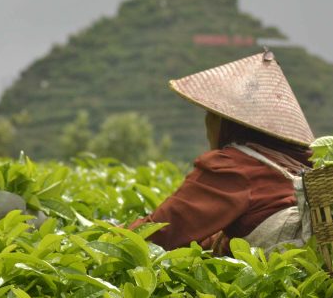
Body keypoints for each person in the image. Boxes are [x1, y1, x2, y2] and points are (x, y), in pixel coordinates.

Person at [128, 49, 315, 254]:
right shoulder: (302, 162)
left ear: (225, 123)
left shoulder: (231, 168)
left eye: (211, 115)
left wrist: (101, 236)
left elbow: (162, 230)